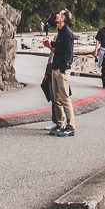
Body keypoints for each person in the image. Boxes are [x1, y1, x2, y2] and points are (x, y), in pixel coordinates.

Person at [44, 8, 75, 137]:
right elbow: (58, 49)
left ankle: (70, 126)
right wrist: (50, 44)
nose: (57, 15)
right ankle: (60, 123)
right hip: (55, 68)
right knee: (56, 98)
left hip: (62, 70)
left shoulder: (67, 33)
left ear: (63, 18)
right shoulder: (61, 32)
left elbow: (69, 54)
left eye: (59, 14)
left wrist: (63, 69)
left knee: (64, 98)